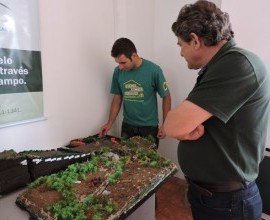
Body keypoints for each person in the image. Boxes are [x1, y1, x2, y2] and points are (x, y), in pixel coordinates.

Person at [164, 1, 270, 220]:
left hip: (227, 203)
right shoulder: (220, 66)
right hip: (216, 198)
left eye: (180, 45)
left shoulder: (237, 64)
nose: (180, 53)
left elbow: (173, 125)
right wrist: (185, 128)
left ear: (194, 40)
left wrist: (184, 129)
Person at [99, 38, 171, 148]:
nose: (120, 67)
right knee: (126, 161)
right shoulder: (118, 72)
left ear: (134, 56)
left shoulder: (153, 70)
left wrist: (165, 125)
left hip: (149, 127)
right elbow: (117, 98)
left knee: (148, 163)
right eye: (118, 63)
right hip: (128, 126)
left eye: (123, 62)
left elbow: (166, 97)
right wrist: (109, 123)